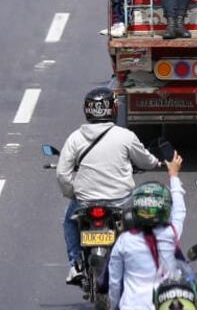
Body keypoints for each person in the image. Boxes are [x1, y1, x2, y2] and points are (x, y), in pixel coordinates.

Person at [57, 88, 163, 285]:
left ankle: (75, 264)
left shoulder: (75, 138)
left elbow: (63, 174)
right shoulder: (126, 136)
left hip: (85, 201)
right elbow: (146, 161)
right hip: (120, 200)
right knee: (141, 222)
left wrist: (73, 193)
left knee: (68, 221)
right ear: (113, 109)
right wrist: (157, 162)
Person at [107, 159, 187, 310]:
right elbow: (179, 211)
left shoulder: (124, 241)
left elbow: (114, 283)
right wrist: (173, 175)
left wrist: (113, 306)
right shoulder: (170, 234)